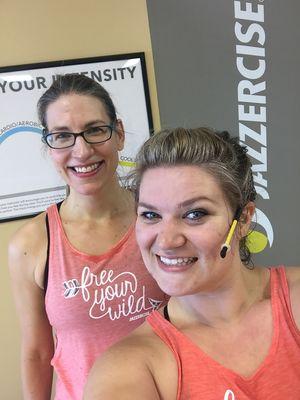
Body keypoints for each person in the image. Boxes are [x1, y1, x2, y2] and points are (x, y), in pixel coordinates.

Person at [84, 127, 300, 400]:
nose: (167, 241)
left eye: (194, 214)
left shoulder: (293, 301)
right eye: (150, 215)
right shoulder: (132, 366)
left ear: (243, 220)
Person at [8, 73, 167, 400]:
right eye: (63, 136)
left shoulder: (161, 217)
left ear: (119, 134)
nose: (81, 151)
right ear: (49, 146)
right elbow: (37, 352)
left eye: (95, 130)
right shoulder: (31, 244)